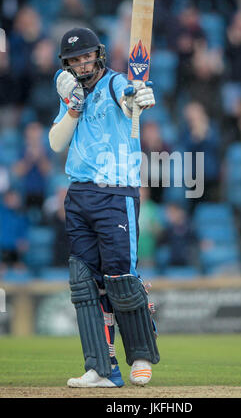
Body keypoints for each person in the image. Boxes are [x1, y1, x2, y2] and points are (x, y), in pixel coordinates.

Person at [48, 27, 160, 388]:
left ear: (98, 55)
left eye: (86, 57)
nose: (82, 64)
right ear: (67, 65)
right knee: (85, 284)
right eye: (75, 60)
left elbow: (128, 99)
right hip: (79, 195)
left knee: (120, 276)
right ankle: (101, 368)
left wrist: (138, 96)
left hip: (116, 193)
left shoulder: (115, 83)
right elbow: (55, 142)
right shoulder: (72, 98)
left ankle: (141, 354)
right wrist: (73, 108)